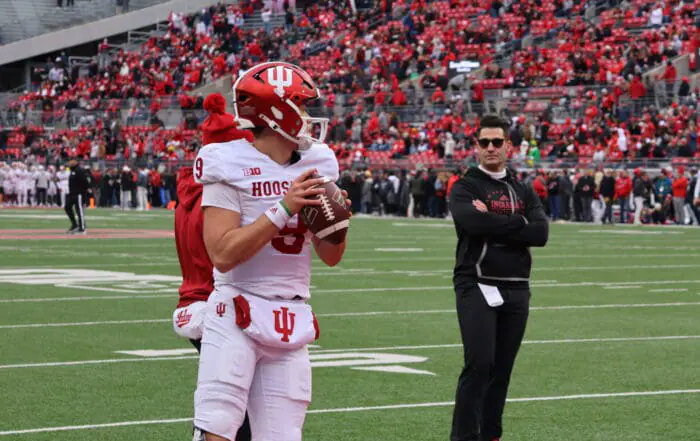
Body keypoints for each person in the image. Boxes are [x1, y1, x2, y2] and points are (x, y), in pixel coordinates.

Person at [192, 62, 349, 441]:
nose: (309, 117)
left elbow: (331, 256)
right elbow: (222, 253)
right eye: (302, 106)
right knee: (217, 429)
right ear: (277, 111)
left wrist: (337, 220)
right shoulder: (227, 161)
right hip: (236, 311)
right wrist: (284, 208)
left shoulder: (318, 162)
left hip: (290, 316)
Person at [449, 114, 548, 441]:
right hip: (475, 282)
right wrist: (518, 224)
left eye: (496, 142)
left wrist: (494, 219)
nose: (490, 148)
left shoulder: (522, 187)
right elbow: (471, 224)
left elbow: (541, 233)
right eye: (484, 142)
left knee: (501, 371)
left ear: (508, 146)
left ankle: (491, 434)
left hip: (517, 287)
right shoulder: (465, 185)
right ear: (476, 147)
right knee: (479, 365)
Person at [172, 93, 254, 441]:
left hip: (192, 302)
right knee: (235, 418)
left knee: (222, 408)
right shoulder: (222, 195)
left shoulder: (190, 186)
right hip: (218, 307)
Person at [64, 158, 92, 234]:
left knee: (79, 210)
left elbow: (85, 182)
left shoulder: (80, 171)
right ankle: (74, 225)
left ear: (75, 162)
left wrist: (84, 191)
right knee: (67, 207)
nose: (69, 163)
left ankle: (82, 228)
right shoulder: (72, 170)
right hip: (71, 193)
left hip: (79, 194)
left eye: (71, 161)